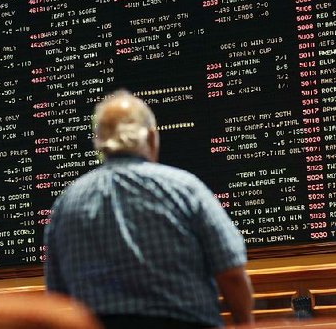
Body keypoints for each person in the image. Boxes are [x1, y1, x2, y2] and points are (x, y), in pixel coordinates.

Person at [44, 90, 253, 329]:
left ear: (99, 142)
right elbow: (232, 275)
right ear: (152, 138)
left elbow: (57, 298)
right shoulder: (185, 189)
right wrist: (245, 324)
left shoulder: (66, 204)